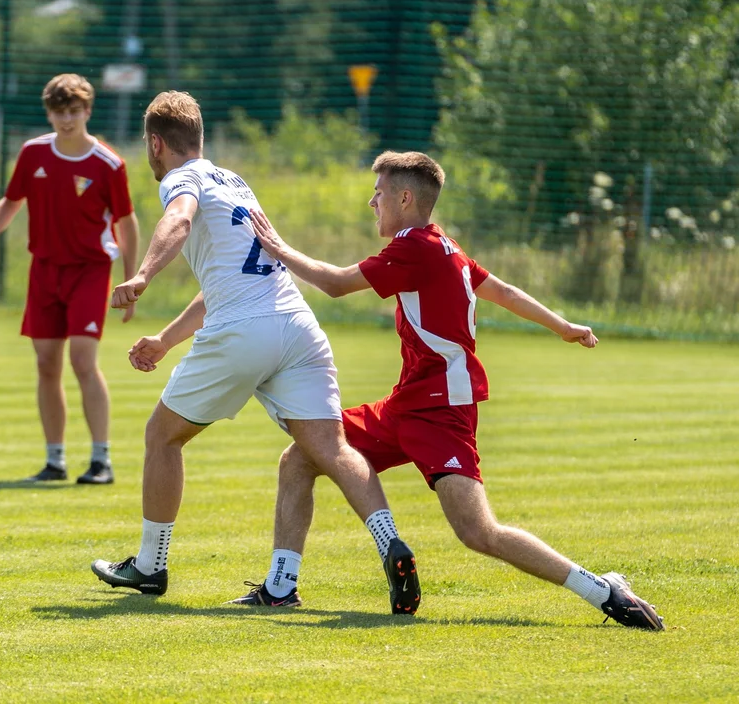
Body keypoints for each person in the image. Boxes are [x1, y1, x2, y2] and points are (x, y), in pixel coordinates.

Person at [245, 150, 664, 629]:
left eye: (378, 193)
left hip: (442, 410)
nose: (371, 202)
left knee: (478, 532)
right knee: (300, 457)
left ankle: (603, 588)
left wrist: (278, 247)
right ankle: (281, 586)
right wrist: (561, 325)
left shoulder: (415, 247)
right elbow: (503, 291)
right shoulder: (445, 246)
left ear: (405, 198)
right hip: (407, 403)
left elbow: (337, 284)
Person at [89, 91, 421, 614]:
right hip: (297, 326)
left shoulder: (183, 181)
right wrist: (165, 341)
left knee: (162, 436)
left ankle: (151, 566)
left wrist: (143, 274)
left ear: (156, 143)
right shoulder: (236, 182)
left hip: (244, 332)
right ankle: (385, 545)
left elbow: (176, 220)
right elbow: (226, 281)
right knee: (328, 450)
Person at [0, 73, 139, 485]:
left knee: (82, 360)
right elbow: (11, 201)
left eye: (74, 111)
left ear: (87, 111)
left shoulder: (109, 164)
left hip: (90, 271)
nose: (66, 120)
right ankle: (54, 460)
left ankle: (101, 461)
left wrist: (133, 280)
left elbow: (127, 223)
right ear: (49, 112)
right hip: (44, 271)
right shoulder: (33, 154)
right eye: (59, 112)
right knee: (46, 363)